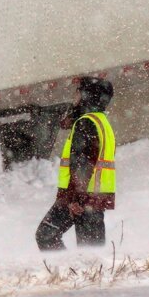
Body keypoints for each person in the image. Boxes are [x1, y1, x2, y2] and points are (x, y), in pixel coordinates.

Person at [35, 77, 117, 251]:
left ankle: (65, 273)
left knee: (46, 235)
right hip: (92, 196)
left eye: (79, 93)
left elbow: (82, 164)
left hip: (81, 197)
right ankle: (82, 274)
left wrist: (75, 200)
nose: (76, 98)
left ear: (89, 97)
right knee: (91, 249)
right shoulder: (100, 121)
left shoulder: (86, 124)